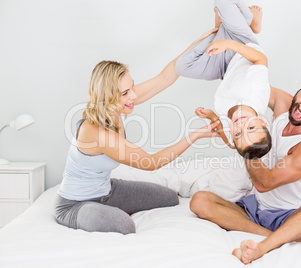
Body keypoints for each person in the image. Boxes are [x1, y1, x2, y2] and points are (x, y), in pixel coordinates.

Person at [190, 71, 301, 264]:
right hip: (255, 207)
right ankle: (276, 236)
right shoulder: (284, 103)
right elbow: (250, 89)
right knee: (199, 201)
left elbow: (265, 182)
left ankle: (263, 247)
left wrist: (244, 139)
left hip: (291, 215)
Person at [55, 57, 221, 234]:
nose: (133, 95)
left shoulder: (118, 106)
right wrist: (195, 136)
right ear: (107, 97)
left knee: (170, 197)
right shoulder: (97, 132)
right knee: (124, 225)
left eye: (132, 87)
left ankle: (108, 209)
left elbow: (165, 78)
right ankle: (106, 213)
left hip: (107, 190)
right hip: (74, 205)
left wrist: (203, 43)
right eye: (125, 93)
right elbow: (151, 163)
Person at [175, 0, 271, 159]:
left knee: (182, 67)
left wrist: (212, 116)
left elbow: (228, 141)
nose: (241, 125)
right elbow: (261, 60)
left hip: (225, 69)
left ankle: (218, 31)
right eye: (252, 127)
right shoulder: (254, 91)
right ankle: (251, 22)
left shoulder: (231, 130)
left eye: (239, 133)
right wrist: (228, 44)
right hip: (242, 47)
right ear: (262, 121)